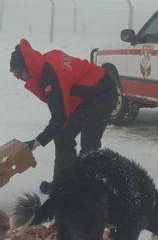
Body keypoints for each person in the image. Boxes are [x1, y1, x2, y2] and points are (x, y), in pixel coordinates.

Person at [10, 39, 118, 183]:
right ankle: (62, 184)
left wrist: (36, 142)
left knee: (89, 145)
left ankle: (87, 188)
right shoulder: (45, 62)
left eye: (18, 74)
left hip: (102, 93)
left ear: (27, 66)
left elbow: (59, 118)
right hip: (84, 98)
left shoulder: (50, 78)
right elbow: (62, 117)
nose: (19, 79)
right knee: (63, 135)